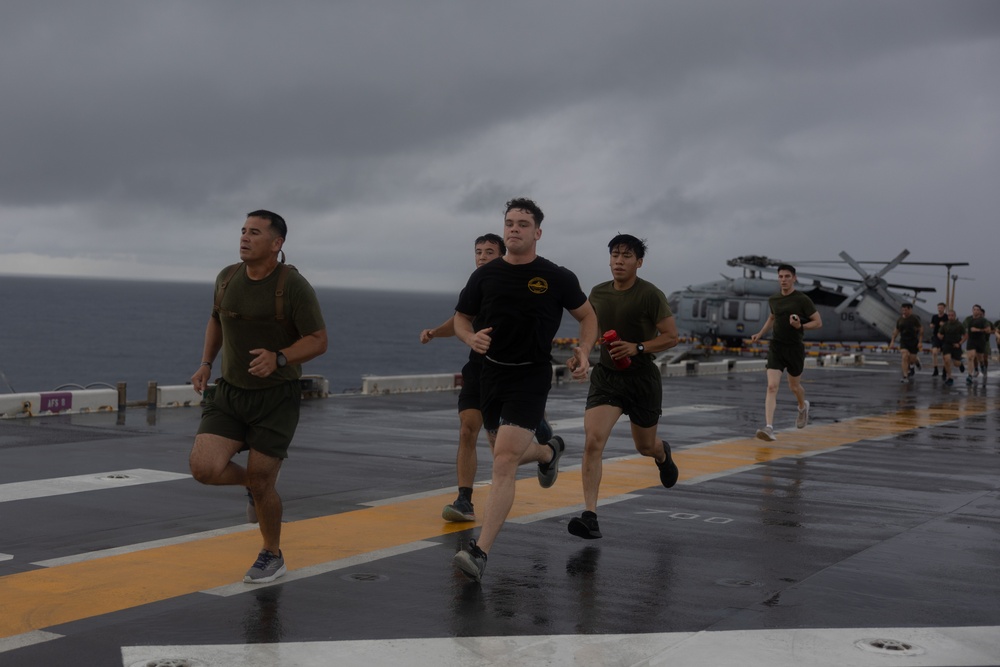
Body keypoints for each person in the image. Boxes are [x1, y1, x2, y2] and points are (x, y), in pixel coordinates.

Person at [451, 197, 598, 582]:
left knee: (502, 462)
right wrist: (470, 338)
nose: (514, 229)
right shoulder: (484, 276)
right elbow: (462, 317)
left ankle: (480, 552)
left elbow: (587, 316)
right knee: (505, 453)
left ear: (537, 232)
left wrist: (583, 349)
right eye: (509, 223)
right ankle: (549, 451)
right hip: (491, 375)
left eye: (522, 223)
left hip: (530, 376)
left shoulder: (556, 277)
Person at [189, 210, 328, 584]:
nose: (244, 238)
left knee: (264, 480)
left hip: (276, 399)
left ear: (276, 243)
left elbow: (318, 340)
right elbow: (217, 319)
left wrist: (279, 357)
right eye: (243, 231)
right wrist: (205, 363)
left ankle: (272, 553)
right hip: (230, 393)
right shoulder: (227, 277)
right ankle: (251, 486)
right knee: (203, 468)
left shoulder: (294, 286)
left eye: (255, 232)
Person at [420, 233, 556, 523]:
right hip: (478, 370)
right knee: (467, 428)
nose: (482, 257)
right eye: (478, 252)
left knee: (501, 453)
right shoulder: (477, 284)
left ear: (503, 256)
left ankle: (545, 453)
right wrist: (434, 332)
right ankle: (464, 500)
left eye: (489, 252)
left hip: (512, 374)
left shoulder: (510, 286)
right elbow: (459, 320)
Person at [567, 234, 679, 540]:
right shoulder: (598, 293)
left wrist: (638, 347)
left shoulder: (650, 295)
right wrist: (583, 353)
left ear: (639, 262)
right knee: (593, 441)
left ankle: (661, 454)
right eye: (615, 255)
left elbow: (671, 336)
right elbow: (590, 327)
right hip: (607, 378)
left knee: (644, 446)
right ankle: (590, 515)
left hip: (642, 379)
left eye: (627, 256)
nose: (619, 260)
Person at [749, 264, 822, 441]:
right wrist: (760, 333)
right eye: (781, 276)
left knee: (794, 387)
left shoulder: (802, 299)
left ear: (794, 278)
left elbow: (818, 322)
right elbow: (772, 317)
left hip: (794, 348)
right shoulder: (774, 299)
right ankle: (769, 428)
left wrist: (800, 326)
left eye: (787, 276)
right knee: (772, 386)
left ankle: (802, 406)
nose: (783, 280)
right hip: (776, 347)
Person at [888, 303, 924, 383]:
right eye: (903, 310)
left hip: (913, 341)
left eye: (906, 310)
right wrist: (892, 341)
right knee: (904, 356)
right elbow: (896, 330)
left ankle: (916, 361)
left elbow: (921, 329)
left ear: (910, 310)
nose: (904, 312)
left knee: (911, 360)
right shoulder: (900, 320)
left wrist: (920, 341)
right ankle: (905, 376)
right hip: (904, 341)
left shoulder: (914, 319)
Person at [962, 305, 992, 384]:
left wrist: (978, 330)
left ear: (980, 311)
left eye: (977, 310)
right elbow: (962, 327)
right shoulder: (968, 319)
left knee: (980, 358)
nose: (976, 311)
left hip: (980, 341)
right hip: (971, 341)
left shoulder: (983, 320)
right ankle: (969, 375)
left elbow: (988, 330)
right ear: (972, 310)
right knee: (970, 357)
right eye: (974, 309)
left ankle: (982, 365)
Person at [938, 309, 965, 386]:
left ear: (955, 316)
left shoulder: (959, 325)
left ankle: (960, 364)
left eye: (952, 315)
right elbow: (939, 333)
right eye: (949, 315)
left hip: (956, 345)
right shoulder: (945, 325)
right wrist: (940, 336)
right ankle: (950, 377)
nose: (950, 317)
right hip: (947, 345)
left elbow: (965, 335)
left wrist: (960, 343)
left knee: (956, 363)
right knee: (946, 360)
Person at [929, 302, 947, 377]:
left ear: (944, 308)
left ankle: (944, 370)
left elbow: (950, 326)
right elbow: (931, 324)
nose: (939, 309)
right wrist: (931, 325)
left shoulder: (946, 317)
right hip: (936, 336)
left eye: (941, 308)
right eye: (938, 307)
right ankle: (935, 369)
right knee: (934, 352)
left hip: (944, 337)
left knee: (944, 355)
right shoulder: (934, 316)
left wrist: (944, 325)